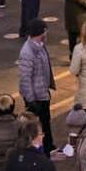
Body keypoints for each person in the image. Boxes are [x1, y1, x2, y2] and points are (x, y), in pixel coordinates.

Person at [17, 19, 55, 147]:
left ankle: (49, 146)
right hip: (35, 97)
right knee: (36, 126)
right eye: (45, 31)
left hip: (43, 93)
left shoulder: (40, 46)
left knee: (46, 122)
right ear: (41, 32)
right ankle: (41, 148)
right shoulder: (27, 52)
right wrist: (31, 100)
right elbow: (25, 78)